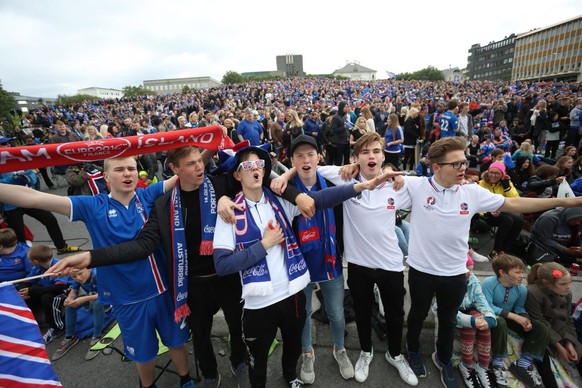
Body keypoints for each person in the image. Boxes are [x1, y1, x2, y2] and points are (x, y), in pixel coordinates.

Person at [402, 136, 582, 388]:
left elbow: (514, 203)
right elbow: (374, 183)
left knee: (448, 318)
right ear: (436, 167)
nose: (463, 167)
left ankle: (442, 359)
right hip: (421, 271)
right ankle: (412, 351)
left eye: (464, 161)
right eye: (455, 164)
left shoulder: (472, 192)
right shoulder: (416, 186)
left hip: (455, 273)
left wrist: (564, 201)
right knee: (417, 315)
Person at [0, 157, 195, 388]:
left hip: (162, 290)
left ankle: (185, 380)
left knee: (177, 342)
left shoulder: (147, 195)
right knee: (143, 353)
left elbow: (187, 170)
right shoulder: (93, 205)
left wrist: (212, 143)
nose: (127, 174)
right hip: (126, 298)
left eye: (132, 168)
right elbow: (34, 197)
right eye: (119, 169)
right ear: (106, 176)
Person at [211, 144, 393, 388]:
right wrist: (263, 245)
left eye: (259, 165)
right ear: (237, 174)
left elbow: (319, 199)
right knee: (259, 361)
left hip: (290, 294)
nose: (255, 170)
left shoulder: (278, 201)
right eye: (248, 166)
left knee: (293, 346)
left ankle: (291, 376)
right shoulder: (230, 211)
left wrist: (362, 186)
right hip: (258, 303)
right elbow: (222, 265)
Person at [276, 132, 417, 385]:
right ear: (356, 158)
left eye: (376, 152)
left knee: (356, 315)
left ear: (383, 156)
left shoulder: (392, 183)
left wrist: (392, 174)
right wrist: (286, 175)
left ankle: (375, 353)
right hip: (325, 263)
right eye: (365, 153)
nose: (370, 157)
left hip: (358, 262)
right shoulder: (339, 176)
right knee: (324, 313)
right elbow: (282, 178)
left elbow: (431, 188)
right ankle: (326, 353)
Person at [482, 254, 548, 388]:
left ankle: (524, 362)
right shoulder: (489, 283)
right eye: (517, 272)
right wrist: (515, 317)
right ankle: (497, 362)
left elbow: (519, 307)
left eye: (522, 272)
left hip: (510, 317)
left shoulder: (521, 289)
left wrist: (525, 320)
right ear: (502, 272)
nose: (521, 275)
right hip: (490, 316)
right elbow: (487, 306)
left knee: (541, 328)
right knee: (500, 322)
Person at [440, 256, 496, 388]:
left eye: (472, 269)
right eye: (467, 270)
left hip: (468, 308)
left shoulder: (472, 279)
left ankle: (483, 365)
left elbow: (480, 299)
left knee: (483, 324)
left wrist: (489, 317)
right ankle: (467, 365)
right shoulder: (446, 282)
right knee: (470, 325)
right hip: (453, 312)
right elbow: (444, 309)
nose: (470, 273)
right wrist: (471, 321)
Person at [526, 262, 582, 386]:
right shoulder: (533, 293)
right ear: (546, 282)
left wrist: (569, 343)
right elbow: (540, 321)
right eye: (563, 284)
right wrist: (559, 346)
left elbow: (567, 319)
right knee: (545, 367)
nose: (568, 287)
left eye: (569, 283)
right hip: (543, 335)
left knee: (579, 354)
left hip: (563, 333)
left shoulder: (567, 294)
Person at [20, 244, 72, 344]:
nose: (29, 262)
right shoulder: (38, 267)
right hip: (50, 286)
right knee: (28, 292)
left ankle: (57, 327)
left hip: (65, 289)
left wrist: (31, 291)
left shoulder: (57, 266)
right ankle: (29, 322)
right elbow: (28, 280)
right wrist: (23, 290)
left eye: (29, 260)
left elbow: (59, 287)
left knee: (47, 298)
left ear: (35, 261)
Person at [52, 267, 106, 361]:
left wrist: (84, 299)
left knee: (97, 304)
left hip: (110, 299)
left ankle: (97, 336)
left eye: (80, 274)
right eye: (74, 276)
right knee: (70, 305)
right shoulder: (77, 277)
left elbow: (104, 294)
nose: (78, 278)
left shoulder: (97, 275)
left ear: (88, 269)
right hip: (93, 296)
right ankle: (70, 337)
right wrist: (69, 298)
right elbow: (74, 291)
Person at [478, 162, 525, 259]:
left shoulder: (506, 183)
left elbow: (516, 200)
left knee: (519, 221)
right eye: (491, 172)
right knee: (507, 220)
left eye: (497, 173)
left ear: (502, 175)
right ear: (487, 172)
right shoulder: (481, 184)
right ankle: (495, 251)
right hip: (484, 212)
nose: (493, 175)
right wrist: (487, 212)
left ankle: (504, 250)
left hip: (500, 211)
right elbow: (476, 203)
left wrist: (507, 187)